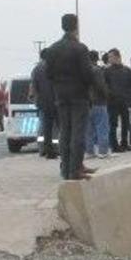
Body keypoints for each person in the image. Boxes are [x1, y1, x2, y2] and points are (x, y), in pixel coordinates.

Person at [44, 14, 95, 181]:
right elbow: (88, 74)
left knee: (65, 132)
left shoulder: (52, 49)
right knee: (78, 132)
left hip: (61, 96)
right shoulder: (80, 48)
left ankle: (65, 169)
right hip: (79, 96)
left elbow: (48, 74)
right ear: (76, 27)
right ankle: (76, 168)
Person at [104, 49, 131, 152]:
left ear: (117, 57)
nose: (109, 59)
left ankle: (124, 143)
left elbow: (130, 85)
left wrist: (129, 99)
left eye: (110, 57)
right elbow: (105, 86)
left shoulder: (126, 70)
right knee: (113, 124)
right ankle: (114, 145)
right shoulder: (107, 71)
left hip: (124, 101)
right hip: (112, 102)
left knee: (126, 123)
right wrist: (110, 95)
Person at [30, 50, 57, 158]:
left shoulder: (36, 69)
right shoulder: (53, 68)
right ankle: (55, 148)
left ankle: (42, 148)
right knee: (54, 128)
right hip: (54, 101)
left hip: (42, 102)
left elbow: (33, 86)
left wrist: (35, 98)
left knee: (43, 126)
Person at [85, 50, 111, 159]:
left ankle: (89, 151)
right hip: (99, 102)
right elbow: (101, 86)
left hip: (86, 103)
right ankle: (103, 151)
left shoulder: (83, 71)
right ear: (97, 59)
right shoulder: (97, 71)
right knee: (102, 127)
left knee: (88, 130)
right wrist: (107, 95)